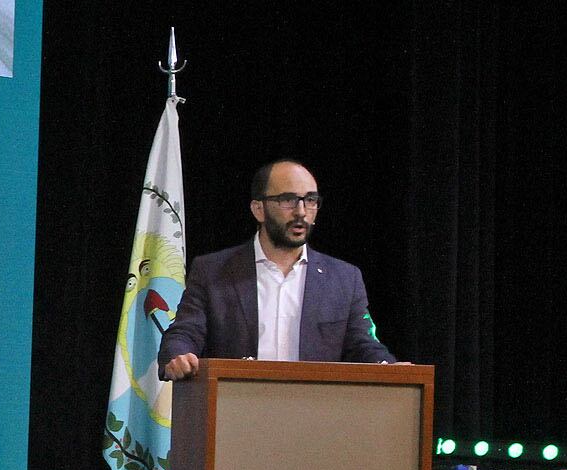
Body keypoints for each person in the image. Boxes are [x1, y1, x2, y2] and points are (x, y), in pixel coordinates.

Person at [159, 160, 395, 380]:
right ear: (258, 209)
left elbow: (362, 344)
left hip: (314, 414)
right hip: (236, 411)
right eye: (288, 200)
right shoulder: (213, 271)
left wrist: (390, 368)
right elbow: (185, 332)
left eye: (310, 200)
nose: (301, 212)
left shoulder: (344, 279)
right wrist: (178, 355)